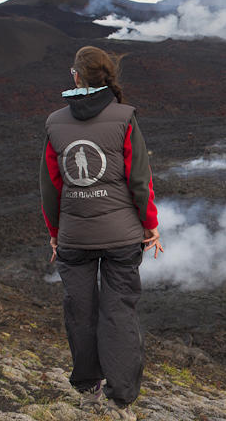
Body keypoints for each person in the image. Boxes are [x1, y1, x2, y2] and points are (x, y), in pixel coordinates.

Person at [40, 46, 163, 420]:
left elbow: (51, 186)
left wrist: (55, 232)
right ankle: (121, 395)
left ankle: (88, 386)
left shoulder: (55, 123)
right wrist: (150, 224)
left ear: (76, 77)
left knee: (80, 310)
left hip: (75, 237)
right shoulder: (125, 118)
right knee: (119, 312)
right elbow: (139, 179)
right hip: (122, 237)